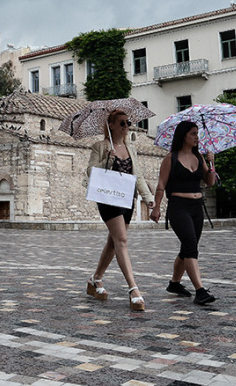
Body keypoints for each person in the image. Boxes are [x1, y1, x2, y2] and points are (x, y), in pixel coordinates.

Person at [85, 110, 154, 312]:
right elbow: (90, 171)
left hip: (126, 197)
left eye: (128, 122)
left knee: (113, 241)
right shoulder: (100, 147)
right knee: (122, 240)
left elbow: (138, 176)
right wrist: (107, 159)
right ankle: (133, 289)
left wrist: (148, 198)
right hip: (108, 197)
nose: (126, 126)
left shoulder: (130, 148)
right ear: (111, 125)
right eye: (122, 123)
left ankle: (95, 279)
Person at [150, 121, 218, 305]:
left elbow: (210, 182)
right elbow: (161, 185)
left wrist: (212, 163)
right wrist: (156, 207)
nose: (197, 137)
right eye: (193, 133)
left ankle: (174, 284)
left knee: (187, 247)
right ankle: (200, 291)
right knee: (190, 246)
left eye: (197, 133)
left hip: (197, 208)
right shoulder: (170, 158)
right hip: (179, 207)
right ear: (183, 136)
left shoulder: (199, 157)